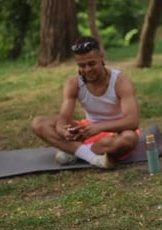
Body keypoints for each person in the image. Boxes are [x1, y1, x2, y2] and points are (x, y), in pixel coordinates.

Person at [31, 36, 140, 168]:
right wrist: (63, 131)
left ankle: (74, 151)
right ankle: (92, 157)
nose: (87, 69)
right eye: (82, 65)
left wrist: (98, 128)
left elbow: (132, 121)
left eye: (92, 63)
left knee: (129, 138)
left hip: (117, 131)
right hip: (87, 130)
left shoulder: (120, 81)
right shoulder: (73, 84)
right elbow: (63, 119)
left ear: (102, 57)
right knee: (39, 123)